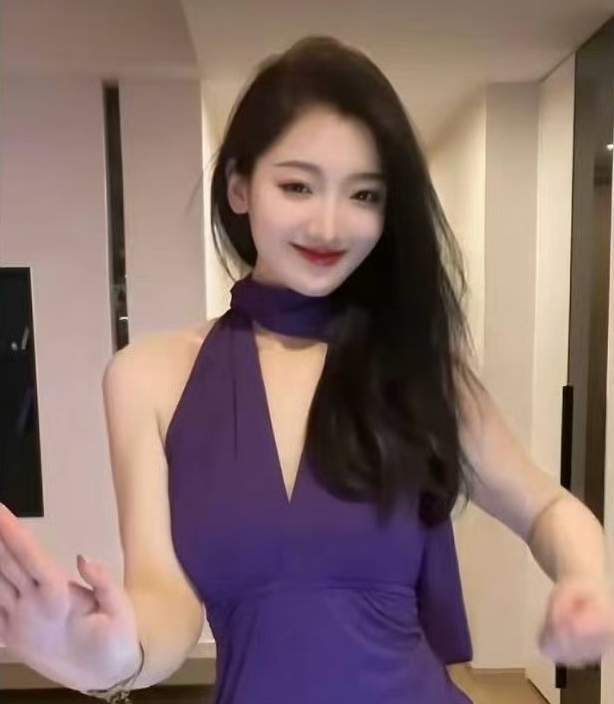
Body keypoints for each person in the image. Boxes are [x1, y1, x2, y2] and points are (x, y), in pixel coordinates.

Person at [0, 34, 613, 704]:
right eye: (297, 185)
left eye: (364, 195)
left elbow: (547, 507)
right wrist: (113, 657)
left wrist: (587, 578)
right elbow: (163, 596)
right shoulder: (146, 377)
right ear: (240, 187)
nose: (329, 225)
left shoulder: (416, 366)